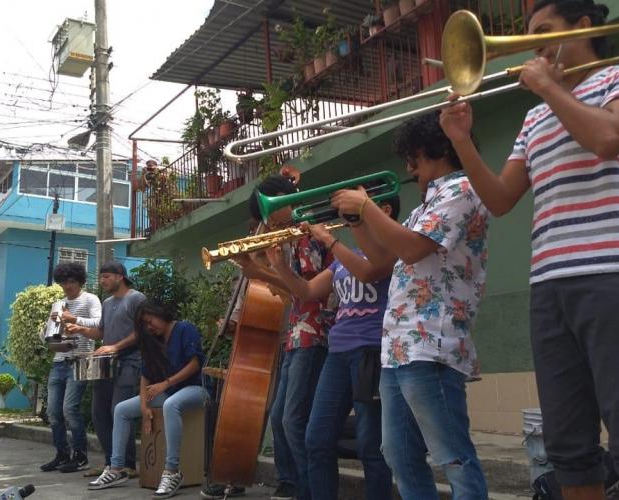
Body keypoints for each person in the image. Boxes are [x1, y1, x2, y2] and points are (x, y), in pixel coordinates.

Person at [439, 1, 619, 498]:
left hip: (615, 274)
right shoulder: (534, 119)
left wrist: (548, 86)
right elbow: (501, 199)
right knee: (567, 447)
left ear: (583, 27)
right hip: (548, 288)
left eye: (544, 31)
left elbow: (609, 138)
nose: (533, 44)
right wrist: (462, 141)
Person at [331, 112, 490, 499]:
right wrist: (356, 221)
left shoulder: (463, 190)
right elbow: (383, 260)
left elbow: (413, 247)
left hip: (431, 344)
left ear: (432, 151)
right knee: (398, 454)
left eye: (412, 158)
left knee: (452, 456)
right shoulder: (426, 203)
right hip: (400, 346)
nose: (408, 168)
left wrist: (367, 207)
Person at [203, 175, 334, 500]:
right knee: (279, 417)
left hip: (313, 332)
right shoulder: (289, 238)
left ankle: (309, 490)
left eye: (270, 208)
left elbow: (307, 291)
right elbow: (285, 294)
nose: (268, 218)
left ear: (285, 200)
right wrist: (259, 266)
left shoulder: (308, 233)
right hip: (294, 333)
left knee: (292, 419)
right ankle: (290, 483)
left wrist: (260, 271)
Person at [265, 194, 401, 500]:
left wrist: (327, 239)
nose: (346, 215)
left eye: (353, 210)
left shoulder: (391, 249)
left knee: (371, 445)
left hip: (372, 350)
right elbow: (308, 290)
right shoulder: (345, 256)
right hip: (338, 353)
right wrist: (279, 267)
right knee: (316, 437)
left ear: (383, 210)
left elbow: (369, 271)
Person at [87, 300, 207, 499]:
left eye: (150, 321)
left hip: (195, 389)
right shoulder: (153, 340)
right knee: (122, 409)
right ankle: (117, 468)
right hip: (169, 392)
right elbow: (146, 376)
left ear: (160, 313)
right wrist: (144, 408)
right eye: (146, 325)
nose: (150, 327)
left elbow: (195, 364)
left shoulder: (185, 328)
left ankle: (172, 471)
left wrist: (166, 384)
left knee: (171, 404)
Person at [66, 261, 146, 480]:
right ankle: (112, 462)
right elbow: (101, 333)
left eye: (106, 277)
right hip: (105, 364)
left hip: (130, 362)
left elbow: (143, 332)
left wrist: (116, 346)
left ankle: (127, 464)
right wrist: (80, 328)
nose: (101, 281)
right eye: (101, 277)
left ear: (120, 276)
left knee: (119, 411)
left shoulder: (136, 299)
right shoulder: (108, 302)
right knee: (99, 413)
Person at [39, 263, 102, 473]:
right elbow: (48, 337)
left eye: (71, 281)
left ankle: (81, 456)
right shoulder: (58, 304)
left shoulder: (90, 299)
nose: (67, 286)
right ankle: (62, 454)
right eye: (63, 282)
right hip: (59, 360)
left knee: (69, 409)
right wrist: (47, 328)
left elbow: (99, 324)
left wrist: (73, 319)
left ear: (80, 281)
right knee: (53, 412)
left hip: (82, 358)